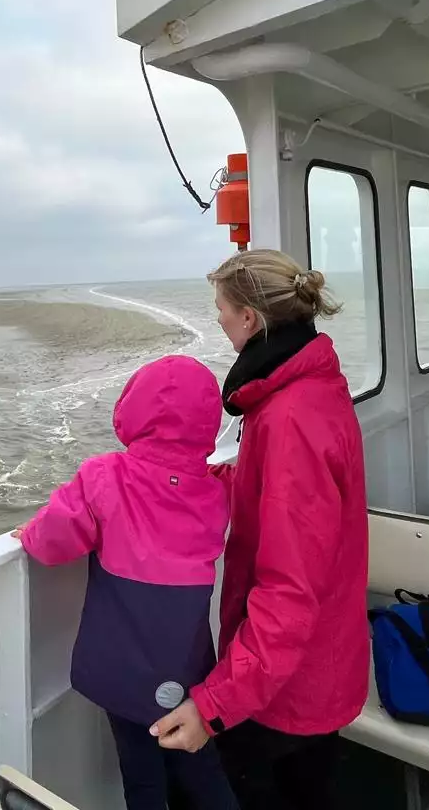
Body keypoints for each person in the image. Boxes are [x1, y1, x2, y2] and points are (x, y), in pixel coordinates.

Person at [151, 249, 368, 810]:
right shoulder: (308, 387)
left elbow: (289, 593)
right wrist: (201, 478)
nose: (218, 318)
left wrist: (212, 706)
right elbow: (280, 494)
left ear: (249, 318)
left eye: (221, 308)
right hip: (313, 664)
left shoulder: (289, 419)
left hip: (287, 689)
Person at [15, 355, 238, 810]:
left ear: (134, 409)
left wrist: (30, 534)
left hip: (123, 673)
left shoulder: (105, 476)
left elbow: (56, 537)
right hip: (187, 668)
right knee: (202, 769)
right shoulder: (216, 490)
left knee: (142, 778)